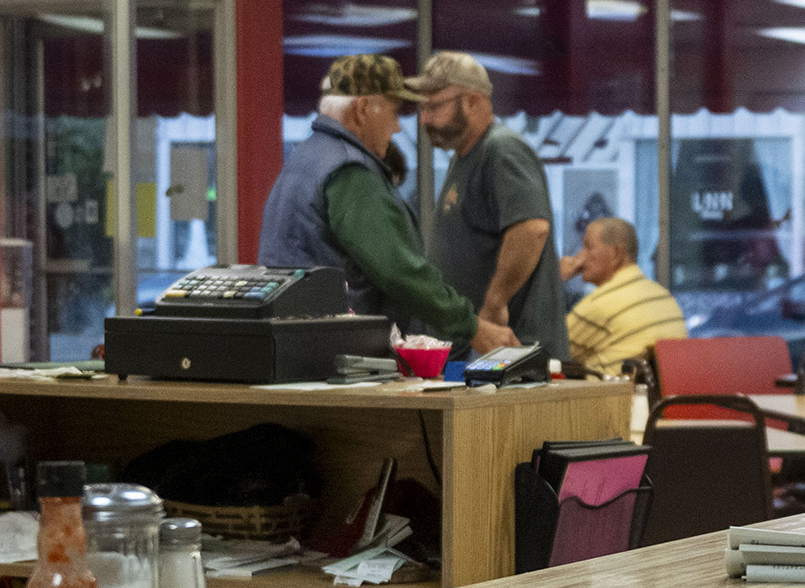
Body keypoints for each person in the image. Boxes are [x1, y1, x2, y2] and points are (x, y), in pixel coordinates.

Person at [258, 54, 516, 355]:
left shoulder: (305, 158)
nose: (396, 128)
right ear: (363, 109)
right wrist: (471, 326)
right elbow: (397, 270)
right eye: (393, 112)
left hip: (297, 349)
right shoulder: (349, 171)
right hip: (340, 357)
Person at [411, 51, 569, 357]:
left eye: (434, 106)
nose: (424, 119)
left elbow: (531, 228)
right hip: (482, 351)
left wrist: (494, 303)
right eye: (422, 107)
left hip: (512, 350)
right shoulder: (466, 156)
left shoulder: (502, 150)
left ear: (472, 101)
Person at [560, 216, 688, 376]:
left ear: (615, 254)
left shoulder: (601, 304)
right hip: (661, 398)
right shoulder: (664, 296)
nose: (580, 255)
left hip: (616, 399)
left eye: (588, 247)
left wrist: (555, 279)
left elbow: (551, 352)